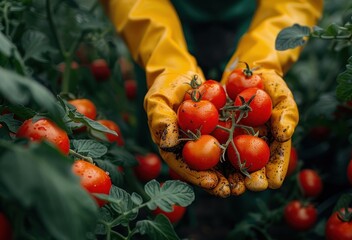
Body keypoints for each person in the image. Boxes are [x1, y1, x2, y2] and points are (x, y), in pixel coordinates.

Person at [99, 0, 323, 198]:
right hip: (161, 10)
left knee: (256, 172)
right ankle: (167, 211)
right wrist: (166, 62)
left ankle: (250, 219)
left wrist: (262, 60)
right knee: (165, 124)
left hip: (253, 15)